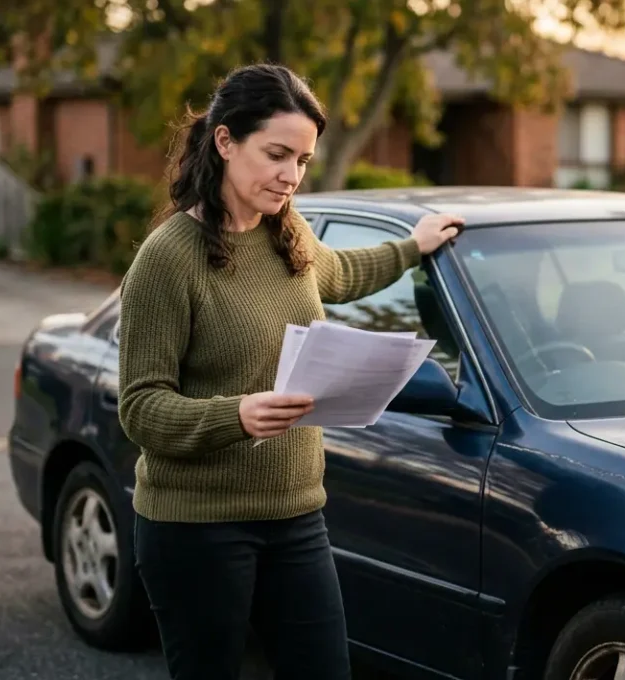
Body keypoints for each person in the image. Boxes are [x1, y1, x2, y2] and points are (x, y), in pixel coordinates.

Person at [116, 63, 462, 680]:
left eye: (302, 161)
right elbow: (141, 409)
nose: (291, 177)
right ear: (225, 141)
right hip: (197, 526)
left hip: (296, 512)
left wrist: (415, 246)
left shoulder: (287, 230)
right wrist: (237, 415)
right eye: (277, 155)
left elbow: (338, 274)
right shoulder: (166, 259)